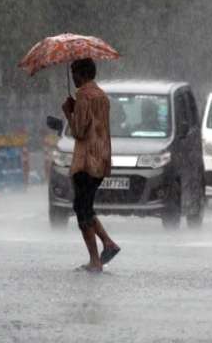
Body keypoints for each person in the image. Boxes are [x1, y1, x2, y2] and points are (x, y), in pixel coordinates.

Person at [62, 58, 121, 273]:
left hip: (86, 161)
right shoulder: (102, 96)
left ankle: (96, 259)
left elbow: (78, 131)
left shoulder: (84, 96)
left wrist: (68, 111)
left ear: (83, 74)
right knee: (84, 207)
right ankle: (107, 244)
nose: (72, 77)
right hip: (102, 158)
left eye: (74, 73)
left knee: (82, 211)